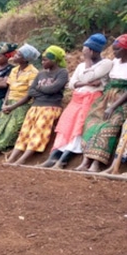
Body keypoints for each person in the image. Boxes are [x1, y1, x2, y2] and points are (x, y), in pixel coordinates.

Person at [41, 34, 112, 169]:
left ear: (92, 50)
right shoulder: (80, 66)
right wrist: (88, 82)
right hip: (76, 99)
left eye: (85, 49)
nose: (83, 52)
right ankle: (53, 156)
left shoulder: (106, 63)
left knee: (79, 128)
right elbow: (71, 84)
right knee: (65, 127)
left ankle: (63, 159)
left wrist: (87, 62)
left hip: (91, 99)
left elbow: (88, 76)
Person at [6, 46, 69, 165]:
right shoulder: (41, 74)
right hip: (35, 107)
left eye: (45, 60)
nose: (42, 62)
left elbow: (54, 89)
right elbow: (31, 92)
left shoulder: (62, 72)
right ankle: (12, 158)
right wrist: (44, 90)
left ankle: (22, 159)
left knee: (39, 132)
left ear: (54, 60)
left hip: (50, 107)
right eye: (42, 59)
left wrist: (40, 89)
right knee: (25, 132)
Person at [75, 34, 127, 172]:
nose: (114, 53)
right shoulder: (114, 63)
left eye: (117, 50)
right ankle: (86, 161)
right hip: (106, 98)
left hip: (121, 102)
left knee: (107, 128)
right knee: (92, 122)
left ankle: (96, 163)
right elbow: (104, 80)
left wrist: (113, 107)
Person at [0, 44, 40, 161]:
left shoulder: (33, 72)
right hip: (10, 103)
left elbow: (29, 94)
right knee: (0, 128)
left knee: (11, 129)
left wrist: (13, 106)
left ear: (25, 59)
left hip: (21, 104)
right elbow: (9, 88)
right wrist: (5, 103)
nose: (15, 56)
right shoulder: (14, 70)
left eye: (18, 54)